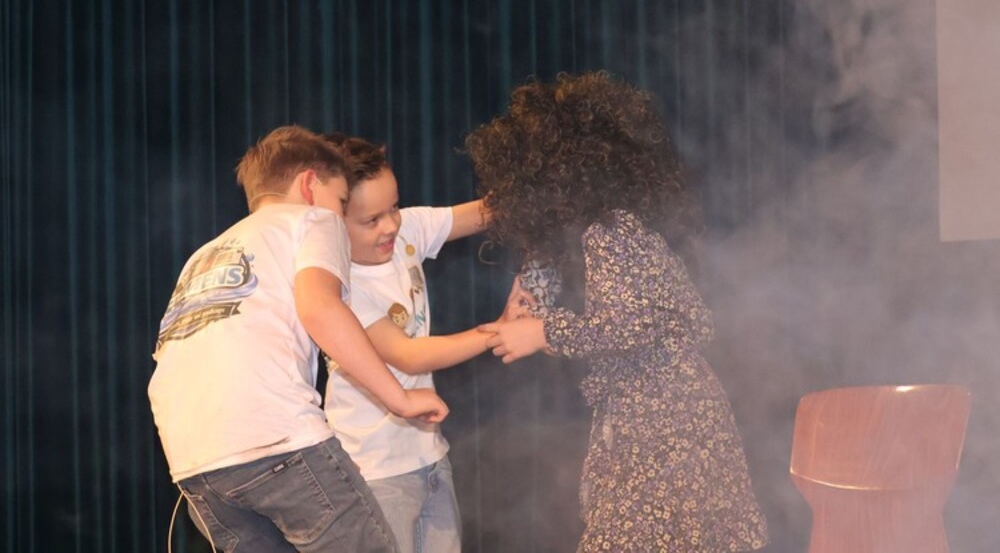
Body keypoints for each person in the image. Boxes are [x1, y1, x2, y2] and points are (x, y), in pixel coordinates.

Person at [466, 72, 770, 552]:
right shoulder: (604, 231)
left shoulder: (609, 234)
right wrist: (531, 286)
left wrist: (545, 332)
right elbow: (556, 295)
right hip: (658, 417)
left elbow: (634, 322)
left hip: (666, 424)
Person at [148, 125, 448, 552]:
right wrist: (399, 398)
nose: (339, 216)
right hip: (275, 439)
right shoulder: (312, 220)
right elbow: (320, 307)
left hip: (194, 463)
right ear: (309, 185)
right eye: (341, 201)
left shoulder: (204, 255)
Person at [321, 133, 494, 553]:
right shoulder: (339, 287)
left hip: (430, 456)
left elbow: (484, 214)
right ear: (331, 225)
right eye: (371, 220)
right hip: (375, 471)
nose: (391, 226)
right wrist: (497, 332)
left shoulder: (405, 232)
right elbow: (409, 355)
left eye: (394, 207)